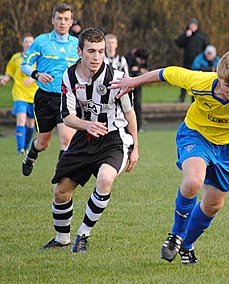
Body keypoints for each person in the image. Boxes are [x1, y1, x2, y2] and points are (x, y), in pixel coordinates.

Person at [109, 48, 229, 265]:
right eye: (228, 86)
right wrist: (134, 81)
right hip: (195, 134)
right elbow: (166, 73)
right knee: (194, 180)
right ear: (218, 76)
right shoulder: (201, 82)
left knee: (214, 204)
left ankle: (186, 245)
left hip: (227, 146)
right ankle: (176, 235)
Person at [39, 28, 139, 253]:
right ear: (79, 51)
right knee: (61, 192)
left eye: (101, 51)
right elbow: (67, 116)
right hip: (84, 137)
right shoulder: (69, 76)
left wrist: (135, 148)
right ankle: (62, 238)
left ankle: (82, 235)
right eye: (91, 51)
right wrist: (87, 125)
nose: (96, 57)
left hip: (114, 138)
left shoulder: (117, 78)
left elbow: (130, 114)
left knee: (105, 179)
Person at [20, 3, 79, 176]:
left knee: (67, 139)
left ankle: (61, 177)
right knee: (43, 143)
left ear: (71, 22)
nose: (62, 22)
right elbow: (25, 65)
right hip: (44, 98)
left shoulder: (76, 44)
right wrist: (37, 74)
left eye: (66, 19)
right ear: (53, 20)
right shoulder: (41, 41)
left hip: (66, 97)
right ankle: (31, 156)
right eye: (59, 18)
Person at [0, 33, 38, 155]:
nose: (28, 44)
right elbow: (10, 72)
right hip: (19, 93)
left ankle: (26, 146)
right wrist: (5, 79)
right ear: (22, 43)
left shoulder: (38, 58)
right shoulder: (16, 58)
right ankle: (20, 149)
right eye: (26, 41)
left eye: (30, 42)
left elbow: (44, 73)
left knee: (30, 124)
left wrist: (33, 78)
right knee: (21, 119)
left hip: (33, 95)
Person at [175, 18, 209, 102]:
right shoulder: (186, 35)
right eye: (191, 25)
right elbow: (179, 43)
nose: (192, 27)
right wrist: (186, 36)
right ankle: (182, 97)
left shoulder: (201, 36)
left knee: (196, 81)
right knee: (184, 79)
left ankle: (195, 98)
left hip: (198, 63)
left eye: (194, 25)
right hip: (187, 61)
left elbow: (207, 48)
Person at [126, 48, 149, 131]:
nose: (142, 62)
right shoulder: (128, 58)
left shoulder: (144, 57)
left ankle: (139, 126)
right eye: (141, 60)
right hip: (127, 85)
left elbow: (147, 71)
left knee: (138, 105)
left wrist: (139, 70)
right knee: (127, 105)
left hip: (137, 85)